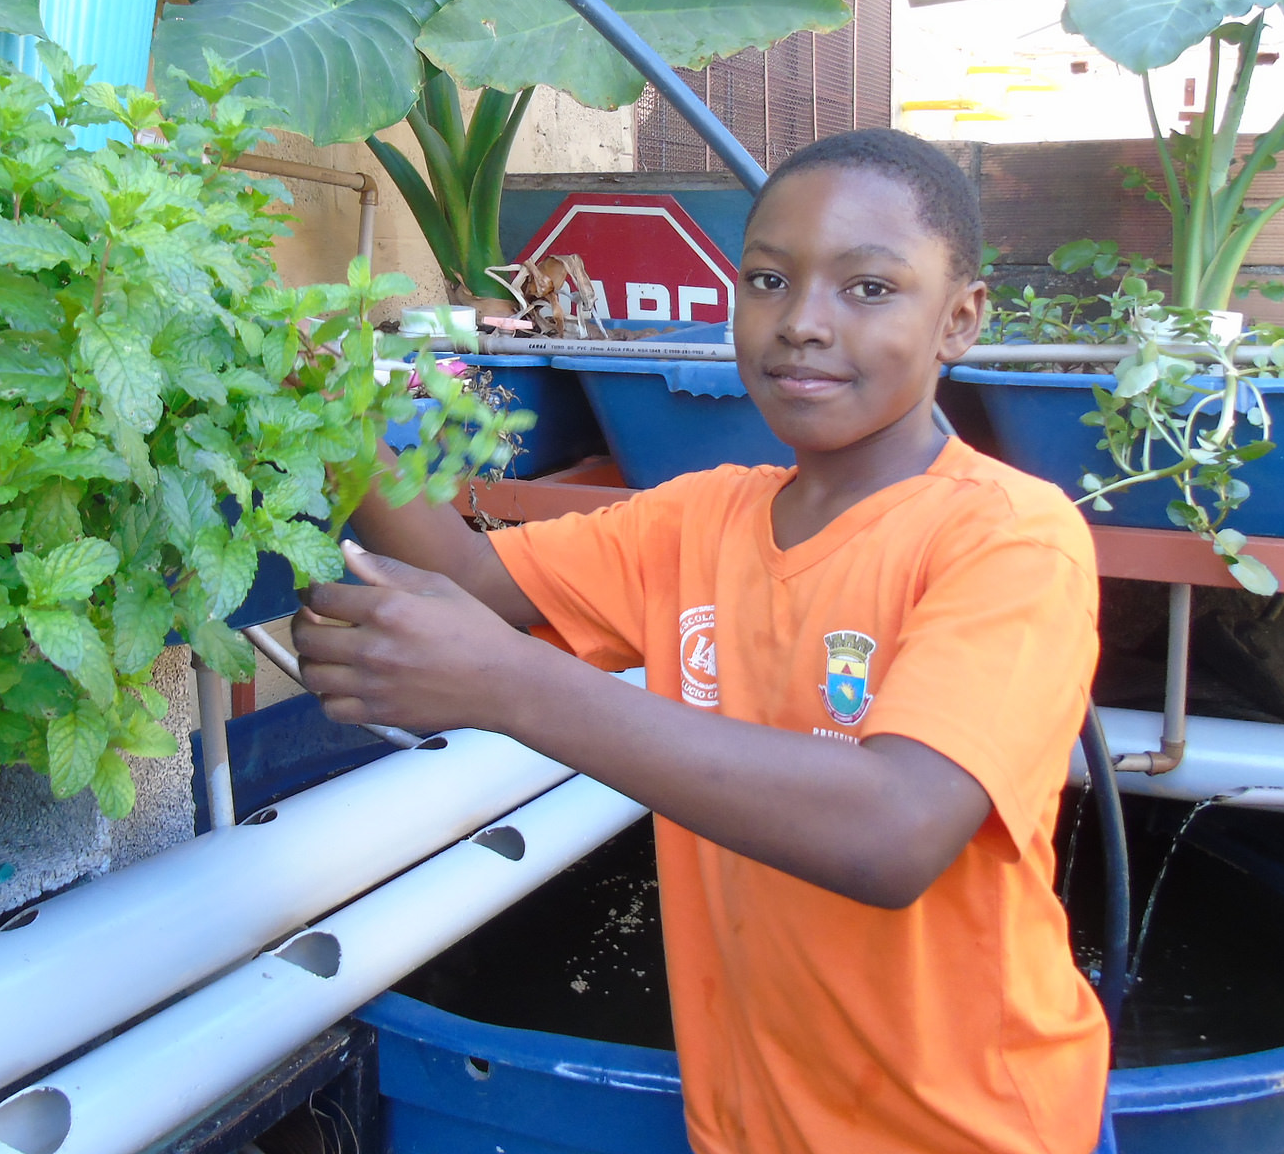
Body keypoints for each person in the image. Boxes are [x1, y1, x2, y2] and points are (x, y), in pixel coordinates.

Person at [293, 128, 1110, 1154]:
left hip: (966, 1130)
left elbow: (893, 830)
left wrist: (511, 687)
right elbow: (466, 577)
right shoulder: (700, 519)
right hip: (748, 1125)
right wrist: (326, 415)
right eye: (766, 278)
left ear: (958, 319)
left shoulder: (1009, 537)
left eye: (867, 289)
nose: (801, 323)